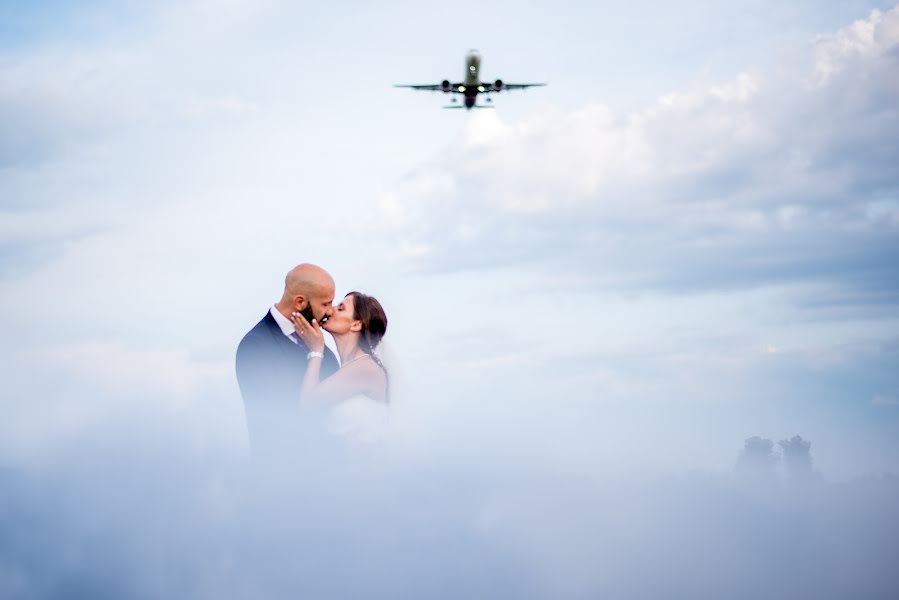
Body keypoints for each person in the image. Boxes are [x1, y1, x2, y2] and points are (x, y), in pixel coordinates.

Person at [235, 263, 340, 459]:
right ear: (300, 302)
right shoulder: (255, 346)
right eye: (326, 304)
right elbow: (277, 420)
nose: (331, 311)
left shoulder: (321, 347)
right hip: (284, 477)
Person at [291, 291, 389, 443]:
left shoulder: (364, 369)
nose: (330, 310)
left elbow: (308, 403)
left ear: (356, 324)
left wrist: (316, 350)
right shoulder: (349, 367)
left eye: (341, 308)